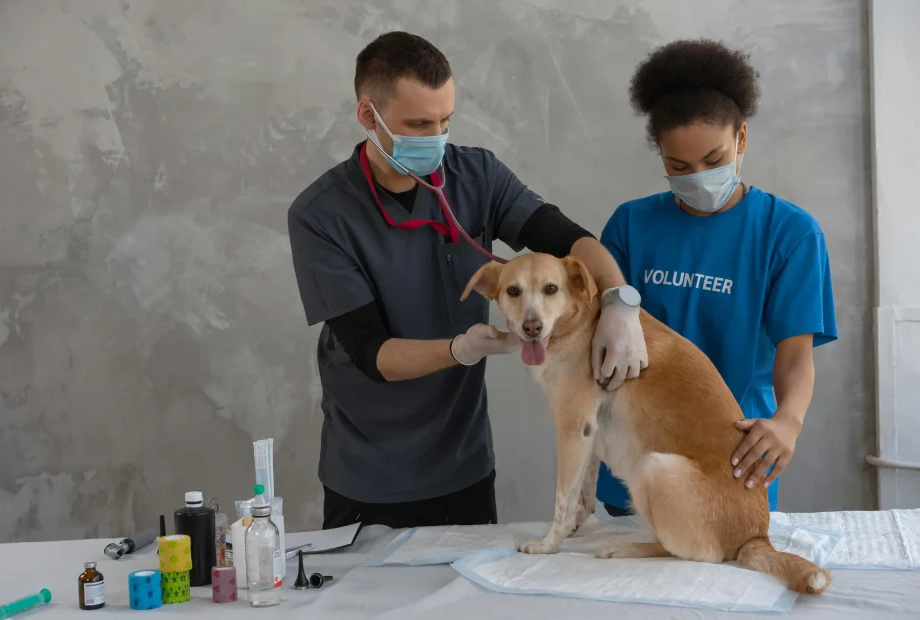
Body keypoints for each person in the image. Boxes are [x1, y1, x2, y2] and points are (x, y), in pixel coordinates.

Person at [288, 31, 648, 530]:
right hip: (371, 472)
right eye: (417, 125)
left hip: (463, 463)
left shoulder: (476, 176)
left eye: (444, 122)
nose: (436, 138)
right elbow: (371, 353)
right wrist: (463, 349)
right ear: (368, 117)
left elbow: (569, 239)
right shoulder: (320, 215)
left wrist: (620, 302)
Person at [596, 38, 838, 516]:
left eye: (713, 161)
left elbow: (794, 357)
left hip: (732, 457)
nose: (698, 178)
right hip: (636, 453)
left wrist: (787, 422)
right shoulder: (630, 225)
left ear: (741, 139)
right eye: (678, 166)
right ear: (660, 154)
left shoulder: (789, 234)